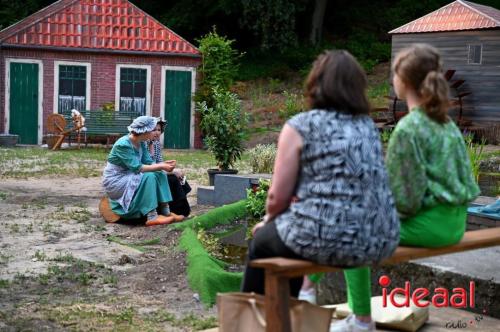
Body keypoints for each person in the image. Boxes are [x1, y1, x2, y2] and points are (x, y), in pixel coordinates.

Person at [332, 44, 480, 331]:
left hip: (428, 228)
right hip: (456, 223)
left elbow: (405, 201)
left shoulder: (409, 128)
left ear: (405, 80)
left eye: (393, 74)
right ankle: (313, 294)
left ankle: (359, 319)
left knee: (349, 231)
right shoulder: (447, 124)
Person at [241, 50, 400, 303]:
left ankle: (253, 319)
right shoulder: (367, 126)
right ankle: (287, 311)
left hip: (328, 237)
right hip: (379, 238)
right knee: (289, 241)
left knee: (263, 242)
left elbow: (277, 197)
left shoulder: (300, 125)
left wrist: (268, 221)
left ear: (316, 84)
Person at [102, 116, 184, 226]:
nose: (154, 133)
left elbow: (149, 162)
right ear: (144, 131)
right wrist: (161, 166)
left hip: (130, 174)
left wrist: (163, 165)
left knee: (158, 173)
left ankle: (166, 212)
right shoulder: (123, 144)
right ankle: (152, 216)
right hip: (116, 180)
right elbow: (138, 168)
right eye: (152, 130)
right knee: (149, 176)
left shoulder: (141, 143)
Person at [146, 119, 191, 217]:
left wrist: (170, 167)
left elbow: (159, 161)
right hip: (148, 172)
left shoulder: (156, 144)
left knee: (181, 178)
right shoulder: (143, 143)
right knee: (173, 178)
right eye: (154, 130)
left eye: (159, 129)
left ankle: (177, 207)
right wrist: (171, 171)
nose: (157, 132)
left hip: (157, 170)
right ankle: (177, 210)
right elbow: (147, 165)